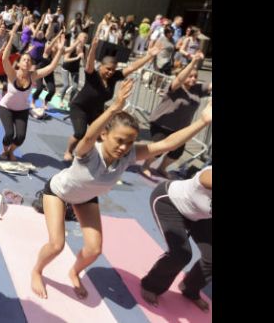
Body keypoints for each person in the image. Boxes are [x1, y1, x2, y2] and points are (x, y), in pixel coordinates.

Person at [31, 79, 212, 299]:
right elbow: (88, 136)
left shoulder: (128, 155)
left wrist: (203, 121)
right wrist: (114, 108)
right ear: (104, 135)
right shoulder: (89, 153)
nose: (124, 147)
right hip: (58, 193)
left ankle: (74, 272)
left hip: (86, 198)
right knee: (57, 244)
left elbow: (167, 144)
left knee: (94, 250)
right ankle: (37, 270)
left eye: (130, 142)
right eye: (119, 140)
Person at [62, 30, 161, 162]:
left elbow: (132, 68)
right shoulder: (93, 75)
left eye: (113, 69)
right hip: (80, 107)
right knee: (80, 133)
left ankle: (95, 154)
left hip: (96, 111)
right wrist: (93, 48)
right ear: (101, 66)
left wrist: (149, 56)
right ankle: (68, 151)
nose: (110, 72)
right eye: (108, 69)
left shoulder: (114, 77)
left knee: (102, 134)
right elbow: (89, 64)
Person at [140, 166, 212, 312]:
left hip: (199, 215)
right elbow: (206, 177)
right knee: (181, 254)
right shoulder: (208, 174)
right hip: (170, 203)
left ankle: (190, 289)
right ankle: (150, 285)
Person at [0, 25, 65, 160]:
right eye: (24, 59)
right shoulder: (12, 74)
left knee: (21, 137)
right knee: (9, 134)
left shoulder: (33, 75)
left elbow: (51, 67)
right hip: (6, 107)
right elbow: (4, 59)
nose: (27, 62)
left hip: (22, 110)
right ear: (19, 63)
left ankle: (11, 151)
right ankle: (5, 151)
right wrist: (11, 37)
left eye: (29, 60)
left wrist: (61, 49)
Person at [141, 53, 211, 178]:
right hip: (162, 123)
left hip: (180, 128)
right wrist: (193, 62)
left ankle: (162, 168)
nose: (193, 79)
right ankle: (146, 165)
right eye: (190, 76)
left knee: (176, 153)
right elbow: (179, 79)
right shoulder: (175, 87)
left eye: (195, 77)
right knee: (158, 149)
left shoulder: (197, 89)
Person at [58, 33, 87, 109]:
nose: (84, 39)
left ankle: (70, 102)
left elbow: (84, 64)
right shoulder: (73, 47)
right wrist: (77, 58)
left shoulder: (84, 49)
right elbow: (65, 59)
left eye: (85, 38)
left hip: (75, 69)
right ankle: (61, 100)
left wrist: (83, 58)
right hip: (66, 67)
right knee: (66, 85)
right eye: (83, 38)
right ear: (78, 38)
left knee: (75, 87)